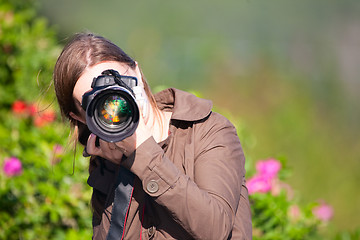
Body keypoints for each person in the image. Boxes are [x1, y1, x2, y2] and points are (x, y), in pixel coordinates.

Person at [53, 32, 252, 240]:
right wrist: (121, 168)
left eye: (120, 85)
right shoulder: (107, 159)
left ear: (137, 72)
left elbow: (215, 230)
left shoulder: (207, 130)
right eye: (97, 101)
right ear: (82, 117)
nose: (115, 104)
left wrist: (144, 154)